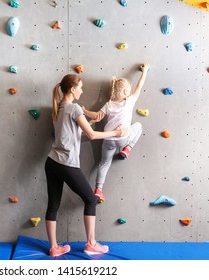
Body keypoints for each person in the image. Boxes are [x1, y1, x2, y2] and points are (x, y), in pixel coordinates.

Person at [45, 74, 127, 257]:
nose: (82, 90)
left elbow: (72, 136)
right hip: (66, 163)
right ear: (72, 90)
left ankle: (54, 248)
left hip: (51, 162)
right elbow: (91, 136)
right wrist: (116, 132)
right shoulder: (74, 108)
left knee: (53, 205)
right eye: (80, 87)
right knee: (90, 199)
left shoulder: (58, 108)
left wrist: (89, 122)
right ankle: (91, 244)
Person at [82, 63, 149, 203]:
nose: (130, 93)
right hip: (122, 137)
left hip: (108, 140)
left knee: (104, 163)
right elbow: (139, 86)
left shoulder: (109, 104)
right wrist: (144, 71)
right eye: (128, 91)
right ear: (125, 92)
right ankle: (128, 149)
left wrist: (84, 111)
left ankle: (98, 190)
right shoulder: (129, 101)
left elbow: (95, 116)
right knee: (138, 125)